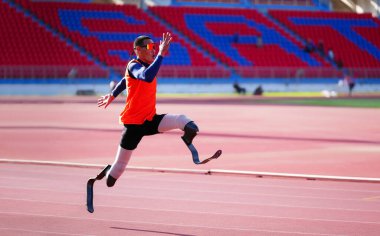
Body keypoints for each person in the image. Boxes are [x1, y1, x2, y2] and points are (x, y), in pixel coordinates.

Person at [96, 33, 200, 187]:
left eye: (154, 47)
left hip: (150, 120)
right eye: (150, 47)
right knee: (113, 177)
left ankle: (187, 137)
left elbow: (126, 80)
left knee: (186, 122)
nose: (153, 50)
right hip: (133, 126)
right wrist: (161, 54)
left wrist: (112, 95)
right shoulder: (134, 65)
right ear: (138, 50)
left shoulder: (144, 66)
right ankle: (108, 172)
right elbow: (145, 76)